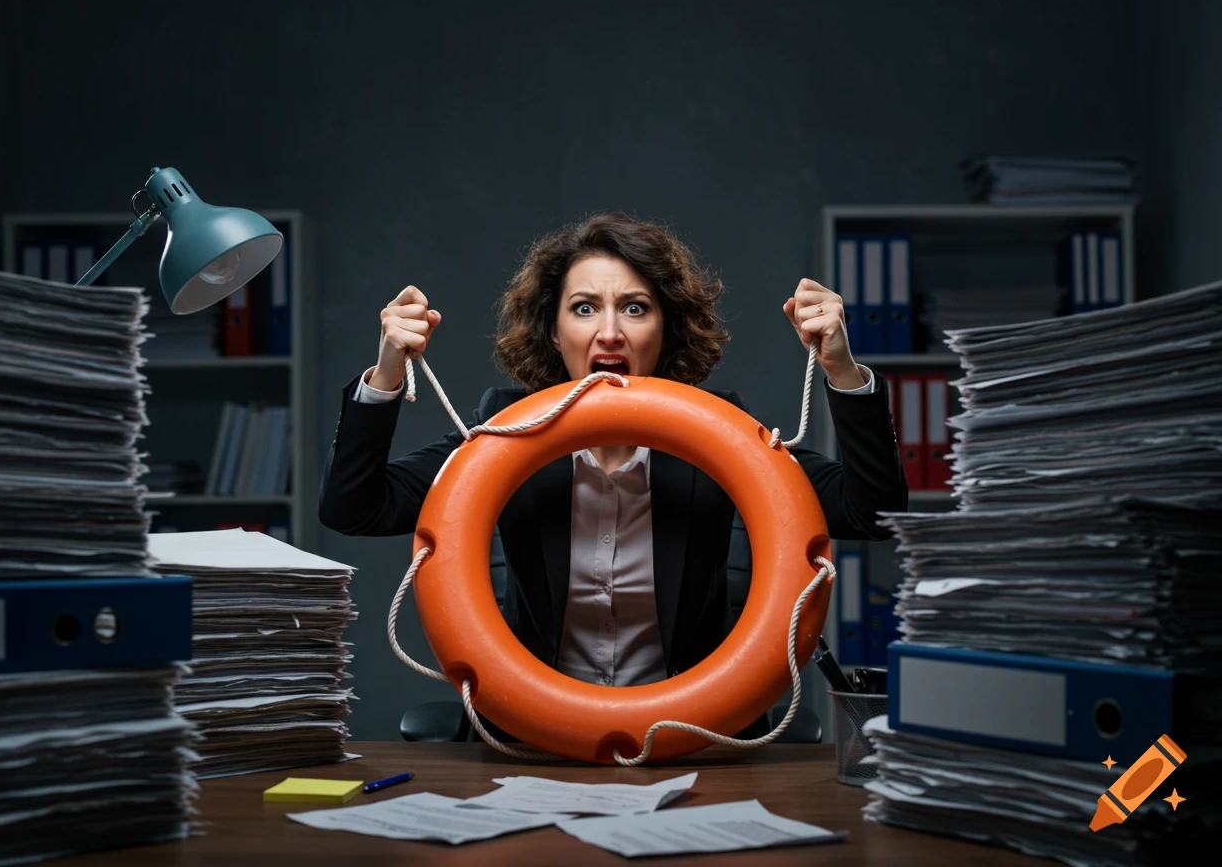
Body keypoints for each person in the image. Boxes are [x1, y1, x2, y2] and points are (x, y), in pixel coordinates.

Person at [319, 211, 907, 737]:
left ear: (665, 330)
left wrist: (842, 370)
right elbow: (357, 508)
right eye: (583, 308)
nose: (609, 332)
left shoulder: (726, 437)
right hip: (535, 740)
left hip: (698, 738)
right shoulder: (500, 434)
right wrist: (386, 377)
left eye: (635, 307)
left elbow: (872, 513)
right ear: (554, 333)